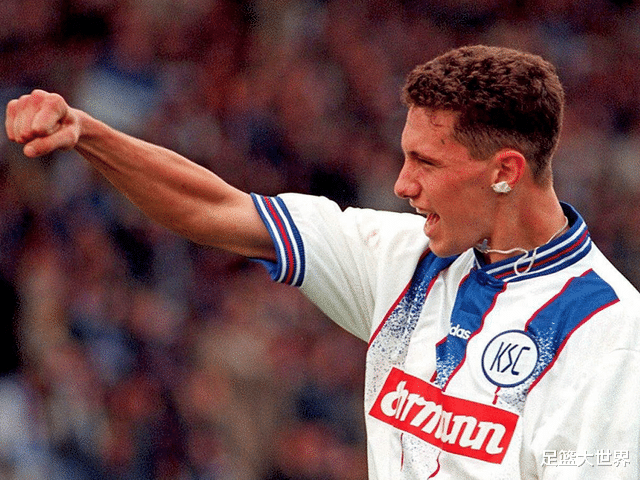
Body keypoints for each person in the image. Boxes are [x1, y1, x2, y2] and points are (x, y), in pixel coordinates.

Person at [5, 45, 640, 479]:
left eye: (426, 162)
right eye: (405, 155)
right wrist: (88, 134)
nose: (402, 185)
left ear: (506, 170)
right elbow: (215, 209)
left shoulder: (608, 335)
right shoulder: (402, 258)